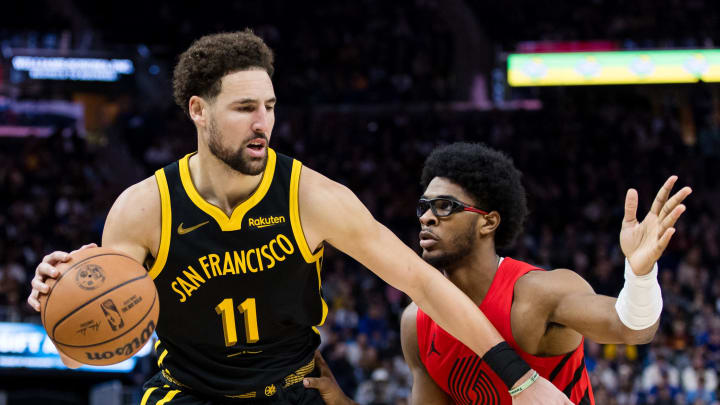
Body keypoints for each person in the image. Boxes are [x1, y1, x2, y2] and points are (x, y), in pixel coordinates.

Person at [27, 31, 571, 404]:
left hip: (292, 390)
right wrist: (60, 314)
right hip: (187, 392)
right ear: (198, 110)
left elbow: (422, 284)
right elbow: (94, 345)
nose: (262, 122)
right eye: (244, 109)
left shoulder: (310, 196)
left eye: (269, 106)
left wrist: (521, 380)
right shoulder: (145, 208)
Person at [305, 142, 691, 404]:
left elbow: (633, 329)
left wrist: (640, 274)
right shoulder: (416, 323)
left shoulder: (539, 293)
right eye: (424, 205)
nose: (426, 216)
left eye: (444, 206)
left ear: (488, 222)